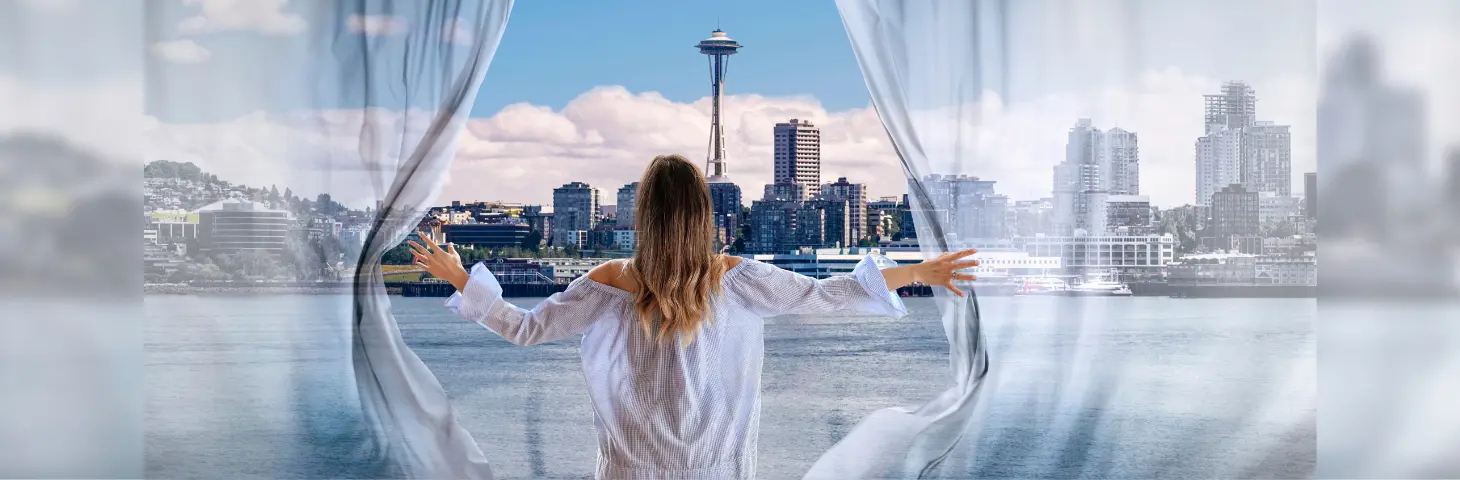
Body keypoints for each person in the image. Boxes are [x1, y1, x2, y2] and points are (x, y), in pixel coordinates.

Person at [409, 154, 978, 479]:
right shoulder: (736, 278)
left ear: (644, 214)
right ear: (704, 215)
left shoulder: (610, 281)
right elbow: (826, 296)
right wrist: (916, 272)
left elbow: (524, 329)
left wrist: (461, 278)